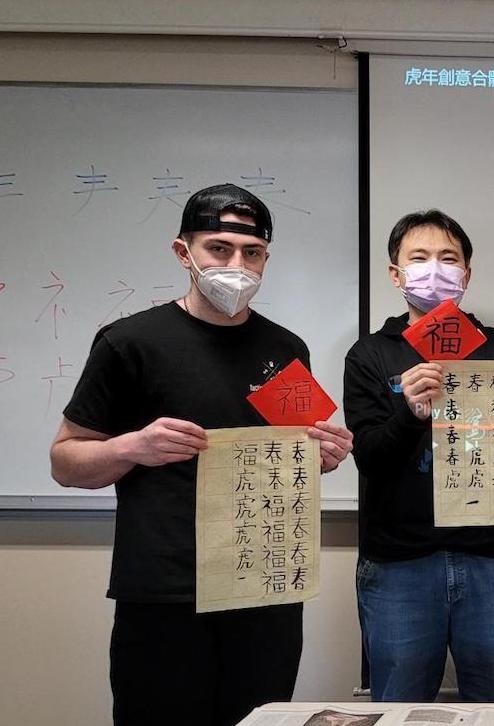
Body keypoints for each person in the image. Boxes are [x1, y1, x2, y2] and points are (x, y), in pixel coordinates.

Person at [49, 183, 355, 726]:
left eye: (252, 253)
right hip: (166, 591)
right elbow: (65, 460)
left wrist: (324, 454)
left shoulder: (285, 348)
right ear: (183, 252)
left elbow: (294, 453)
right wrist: (132, 446)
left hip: (264, 583)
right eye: (219, 248)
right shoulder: (129, 343)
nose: (237, 265)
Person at [344, 209, 494, 702]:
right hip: (398, 563)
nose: (435, 269)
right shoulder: (371, 355)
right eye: (419, 258)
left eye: (449, 258)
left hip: (488, 558)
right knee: (399, 706)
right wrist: (411, 411)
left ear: (466, 273)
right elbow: (370, 459)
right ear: (394, 273)